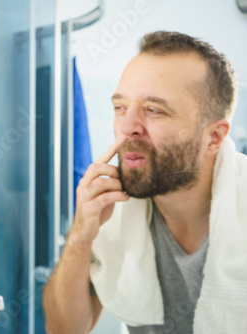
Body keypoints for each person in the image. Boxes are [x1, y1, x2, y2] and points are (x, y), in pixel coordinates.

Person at [43, 31, 247, 334]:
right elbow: (63, 329)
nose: (127, 128)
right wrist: (81, 235)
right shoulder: (114, 210)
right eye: (120, 107)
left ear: (214, 137)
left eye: (154, 110)